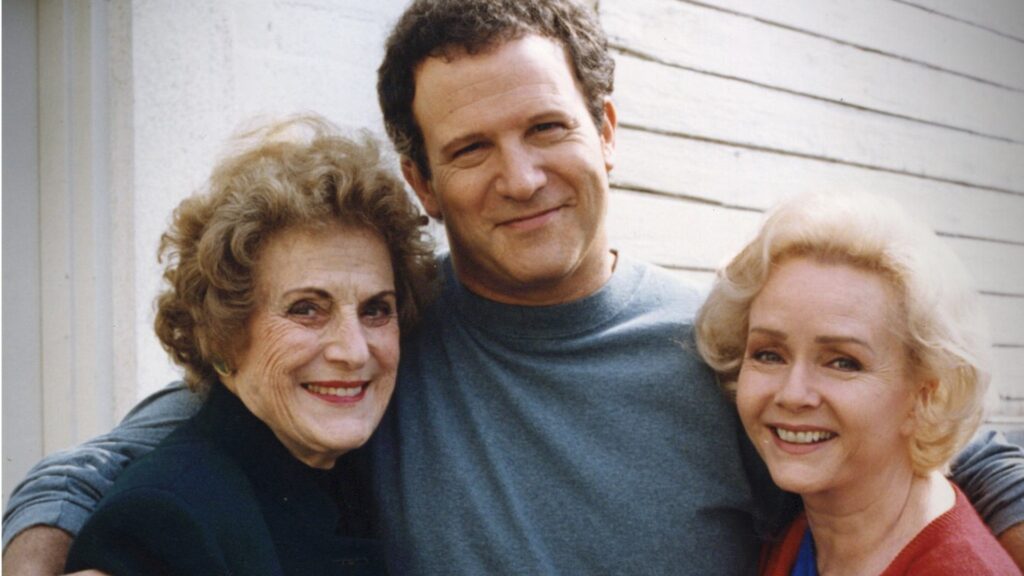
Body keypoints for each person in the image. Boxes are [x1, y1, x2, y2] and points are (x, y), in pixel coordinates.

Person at [4, 1, 1024, 574]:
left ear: (606, 132)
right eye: (471, 148)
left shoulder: (727, 346)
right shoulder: (384, 342)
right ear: (422, 182)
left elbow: (940, 438)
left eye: (546, 128)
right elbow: (133, 455)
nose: (523, 178)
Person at [62, 116, 436, 575]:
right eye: (306, 309)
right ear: (223, 334)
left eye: (376, 309)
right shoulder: (169, 519)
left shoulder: (359, 477)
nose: (354, 351)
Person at [696, 193, 1021, 575]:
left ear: (925, 396)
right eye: (769, 354)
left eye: (842, 362)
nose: (792, 394)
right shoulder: (802, 531)